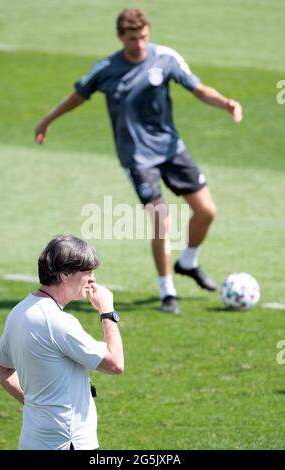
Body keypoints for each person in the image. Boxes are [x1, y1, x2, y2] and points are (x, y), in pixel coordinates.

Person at [35, 8, 242, 314]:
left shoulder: (166, 58)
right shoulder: (106, 68)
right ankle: (167, 292)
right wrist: (48, 119)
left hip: (171, 149)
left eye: (144, 37)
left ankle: (188, 262)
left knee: (207, 211)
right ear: (121, 37)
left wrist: (225, 103)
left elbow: (198, 89)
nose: (140, 44)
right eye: (133, 38)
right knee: (162, 220)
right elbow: (77, 96)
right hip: (137, 157)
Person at [0, 235, 124, 450]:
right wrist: (107, 312)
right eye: (87, 272)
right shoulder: (58, 322)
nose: (92, 280)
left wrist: (35, 404)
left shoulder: (19, 311)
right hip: (68, 443)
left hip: (32, 441)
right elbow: (115, 364)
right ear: (65, 275)